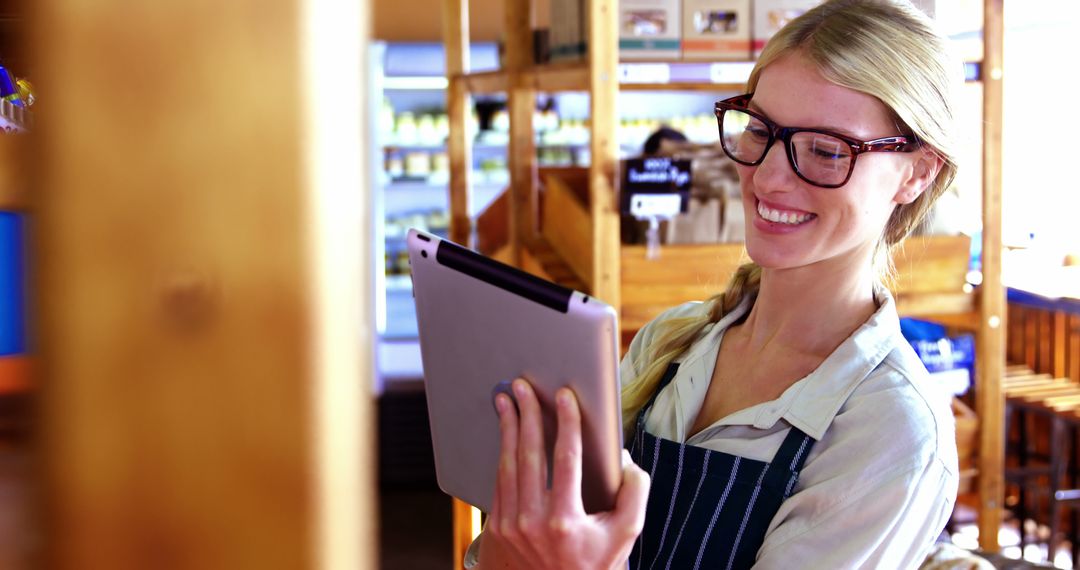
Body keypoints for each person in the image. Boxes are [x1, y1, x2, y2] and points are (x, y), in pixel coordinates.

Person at [469, 0, 961, 567]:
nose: (769, 178)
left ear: (918, 172)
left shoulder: (890, 430)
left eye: (827, 151)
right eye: (760, 131)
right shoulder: (670, 341)